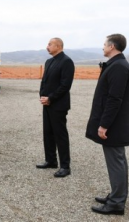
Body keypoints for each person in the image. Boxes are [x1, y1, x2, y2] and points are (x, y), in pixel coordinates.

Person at [85, 34, 129, 216]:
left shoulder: (119, 67)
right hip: (113, 124)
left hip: (114, 125)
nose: (103, 47)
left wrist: (104, 125)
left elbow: (114, 99)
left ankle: (116, 203)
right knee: (116, 161)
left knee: (116, 162)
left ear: (112, 46)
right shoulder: (116, 64)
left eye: (104, 44)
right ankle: (115, 195)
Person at [36, 38, 75, 178]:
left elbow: (65, 85)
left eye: (50, 44)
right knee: (48, 133)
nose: (47, 47)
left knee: (60, 135)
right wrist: (42, 96)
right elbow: (44, 81)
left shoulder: (66, 61)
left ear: (58, 46)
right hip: (47, 103)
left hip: (58, 105)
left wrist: (51, 98)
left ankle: (65, 166)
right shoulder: (49, 61)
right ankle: (51, 160)